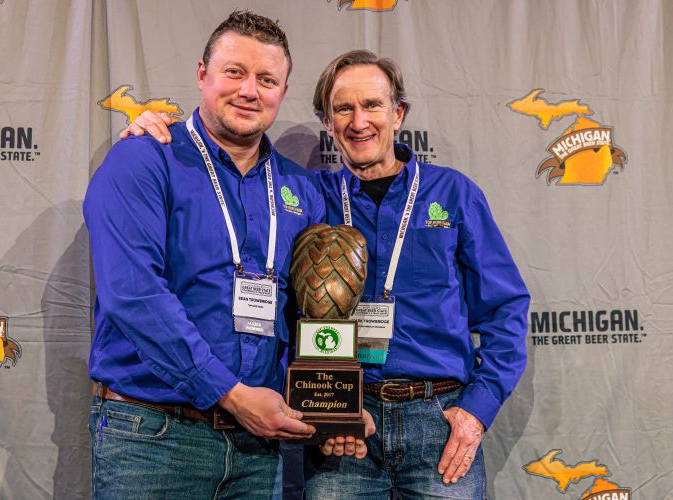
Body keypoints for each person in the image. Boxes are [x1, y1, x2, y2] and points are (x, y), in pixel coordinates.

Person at [129, 50, 529, 499]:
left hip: (436, 419)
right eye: (344, 108)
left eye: (373, 105)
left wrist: (476, 410)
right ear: (327, 122)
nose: (359, 121)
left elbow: (505, 309)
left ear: (397, 114)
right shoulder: (304, 196)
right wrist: (153, 131)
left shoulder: (453, 195)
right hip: (341, 421)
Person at [84, 12, 371, 499]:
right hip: (153, 439)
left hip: (260, 451)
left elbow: (315, 311)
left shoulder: (300, 188)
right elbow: (134, 294)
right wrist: (233, 396)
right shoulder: (145, 159)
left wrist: (335, 401)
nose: (249, 91)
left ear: (282, 91)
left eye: (267, 80)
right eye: (234, 72)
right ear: (202, 75)